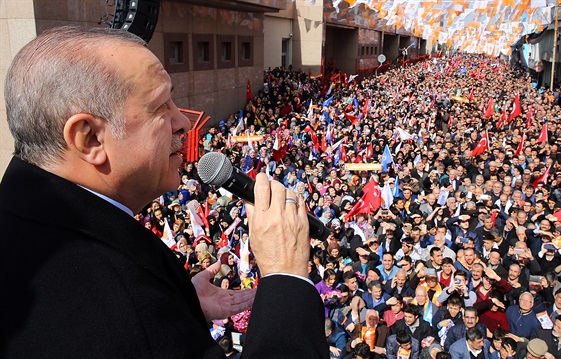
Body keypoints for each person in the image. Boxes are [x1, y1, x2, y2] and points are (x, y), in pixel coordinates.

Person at [1, 26, 327, 358]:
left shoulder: (21, 221)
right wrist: (286, 275)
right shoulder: (116, 307)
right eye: (161, 107)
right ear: (89, 138)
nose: (182, 122)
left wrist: (175, 305)